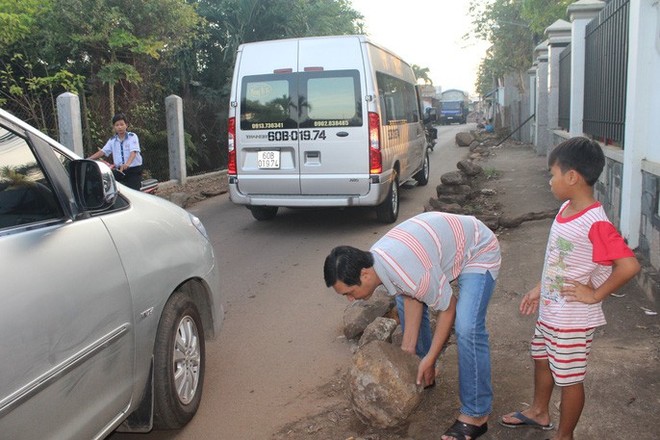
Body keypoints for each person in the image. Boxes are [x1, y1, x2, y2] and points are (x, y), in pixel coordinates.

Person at [500, 137, 640, 440]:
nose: (550, 181)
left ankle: (565, 435)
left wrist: (595, 294)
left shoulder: (595, 222)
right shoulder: (566, 208)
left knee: (570, 379)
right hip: (552, 311)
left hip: (572, 320)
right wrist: (540, 287)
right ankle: (539, 411)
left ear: (572, 177)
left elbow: (629, 265)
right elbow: (558, 260)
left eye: (553, 174)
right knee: (541, 358)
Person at [324, 212, 501, 440]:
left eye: (349, 293)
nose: (350, 299)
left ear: (364, 274)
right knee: (405, 298)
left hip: (478, 249)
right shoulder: (379, 263)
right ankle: (422, 372)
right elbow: (410, 295)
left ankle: (477, 414)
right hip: (435, 254)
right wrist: (408, 353)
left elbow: (448, 309)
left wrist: (430, 357)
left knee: (467, 327)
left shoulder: (409, 272)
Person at [88, 113, 143, 190]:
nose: (119, 127)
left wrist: (127, 164)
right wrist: (89, 159)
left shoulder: (132, 137)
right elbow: (103, 152)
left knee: (134, 192)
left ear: (126, 125)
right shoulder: (112, 140)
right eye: (117, 125)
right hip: (120, 170)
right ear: (114, 127)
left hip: (133, 170)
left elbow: (133, 152)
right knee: (103, 182)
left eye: (121, 124)